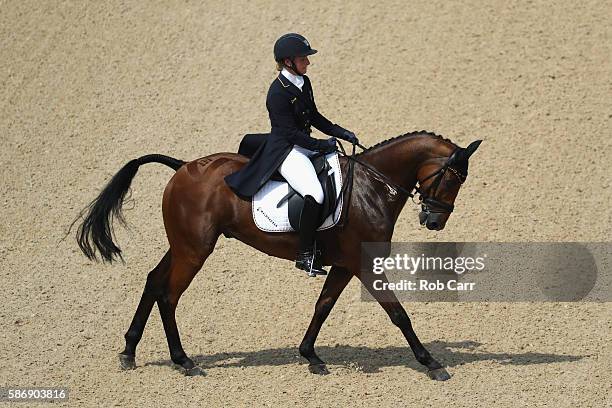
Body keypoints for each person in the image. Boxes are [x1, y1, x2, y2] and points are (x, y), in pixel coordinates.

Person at [225, 33, 359, 276]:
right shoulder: (277, 93)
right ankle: (305, 253)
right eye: (303, 59)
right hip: (286, 150)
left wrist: (341, 132)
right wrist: (320, 145)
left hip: (303, 143)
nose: (308, 63)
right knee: (315, 193)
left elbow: (315, 117)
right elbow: (288, 133)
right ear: (288, 62)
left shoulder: (303, 83)